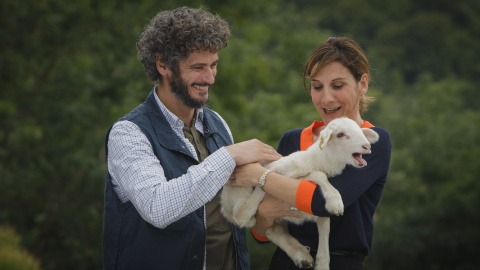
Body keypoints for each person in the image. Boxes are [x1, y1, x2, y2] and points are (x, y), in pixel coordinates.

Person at [102, 6, 282, 270]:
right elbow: (158, 207)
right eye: (198, 67)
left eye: (213, 66)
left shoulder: (217, 122)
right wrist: (229, 156)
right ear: (162, 64)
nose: (209, 78)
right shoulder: (128, 133)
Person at [229, 37, 392, 270]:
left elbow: (322, 204)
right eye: (317, 87)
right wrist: (264, 211)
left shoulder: (373, 141)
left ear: (362, 84)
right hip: (287, 260)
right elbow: (261, 234)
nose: (326, 98)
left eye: (337, 86)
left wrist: (259, 176)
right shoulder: (293, 139)